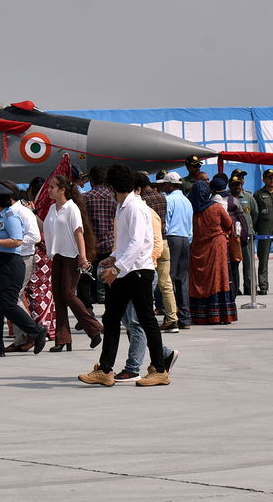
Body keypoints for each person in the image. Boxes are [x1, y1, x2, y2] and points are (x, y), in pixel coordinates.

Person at [78, 163, 170, 387]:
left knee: (146, 319)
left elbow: (138, 244)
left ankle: (160, 370)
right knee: (111, 318)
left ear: (112, 186)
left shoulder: (135, 207)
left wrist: (116, 268)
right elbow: (125, 243)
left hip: (138, 271)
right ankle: (106, 370)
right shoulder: (122, 206)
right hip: (126, 270)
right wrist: (112, 257)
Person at [116, 172, 179, 381]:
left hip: (142, 271)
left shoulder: (144, 212)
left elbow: (153, 243)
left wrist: (146, 265)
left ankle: (133, 367)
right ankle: (164, 353)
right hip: (129, 271)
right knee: (130, 319)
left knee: (136, 321)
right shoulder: (125, 209)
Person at [0, 182, 47, 357]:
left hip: (10, 263)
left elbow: (16, 241)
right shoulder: (2, 215)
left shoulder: (14, 215)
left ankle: (36, 331)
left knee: (7, 303)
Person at [42, 174, 102, 351]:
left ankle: (94, 328)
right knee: (58, 298)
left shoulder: (71, 208)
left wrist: (83, 257)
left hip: (71, 256)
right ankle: (62, 339)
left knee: (68, 294)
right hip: (57, 256)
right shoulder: (53, 209)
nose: (49, 190)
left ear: (62, 190)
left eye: (52, 187)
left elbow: (78, 233)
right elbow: (44, 227)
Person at [6, 177, 55, 352]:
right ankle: (26, 335)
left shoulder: (33, 210)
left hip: (35, 257)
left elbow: (39, 235)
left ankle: (36, 330)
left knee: (32, 296)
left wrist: (15, 242)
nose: (48, 191)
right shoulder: (14, 211)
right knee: (27, 296)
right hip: (33, 256)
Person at [187, 180, 237, 325]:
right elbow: (229, 223)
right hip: (216, 246)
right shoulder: (215, 207)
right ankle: (220, 315)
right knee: (218, 278)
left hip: (197, 247)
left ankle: (200, 315)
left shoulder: (192, 210)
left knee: (200, 279)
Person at [141, 173, 177, 332]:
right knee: (166, 284)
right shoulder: (162, 197)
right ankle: (172, 318)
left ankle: (145, 319)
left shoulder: (141, 201)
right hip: (163, 242)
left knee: (146, 284)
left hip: (149, 245)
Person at [160, 172, 193, 329]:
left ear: (170, 185)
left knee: (168, 279)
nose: (163, 187)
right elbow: (190, 226)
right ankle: (185, 317)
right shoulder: (187, 201)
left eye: (165, 184)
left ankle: (171, 315)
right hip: (185, 239)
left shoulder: (169, 199)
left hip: (172, 238)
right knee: (182, 278)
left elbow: (166, 222)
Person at [83, 166, 115, 308]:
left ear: (91, 180)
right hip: (109, 244)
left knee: (85, 279)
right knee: (109, 281)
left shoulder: (85, 198)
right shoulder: (113, 197)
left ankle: (87, 310)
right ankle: (110, 311)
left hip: (91, 245)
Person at [229, 173, 258, 296]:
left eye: (239, 184)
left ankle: (250, 287)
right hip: (233, 236)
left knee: (249, 263)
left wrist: (250, 229)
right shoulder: (227, 199)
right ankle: (235, 288)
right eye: (235, 185)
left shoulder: (248, 197)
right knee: (234, 263)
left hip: (247, 236)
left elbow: (255, 215)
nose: (237, 187)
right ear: (230, 186)